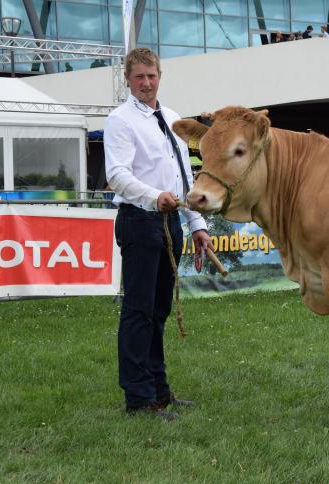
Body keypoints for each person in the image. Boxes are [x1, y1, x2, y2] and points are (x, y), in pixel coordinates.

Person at [104, 48, 212, 421]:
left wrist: (198, 226)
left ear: (160, 76)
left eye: (151, 76)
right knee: (138, 312)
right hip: (139, 219)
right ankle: (138, 398)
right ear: (127, 80)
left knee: (159, 310)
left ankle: (159, 391)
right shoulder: (119, 121)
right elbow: (116, 175)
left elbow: (185, 176)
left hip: (172, 221)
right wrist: (154, 197)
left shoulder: (171, 118)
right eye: (139, 77)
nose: (146, 83)